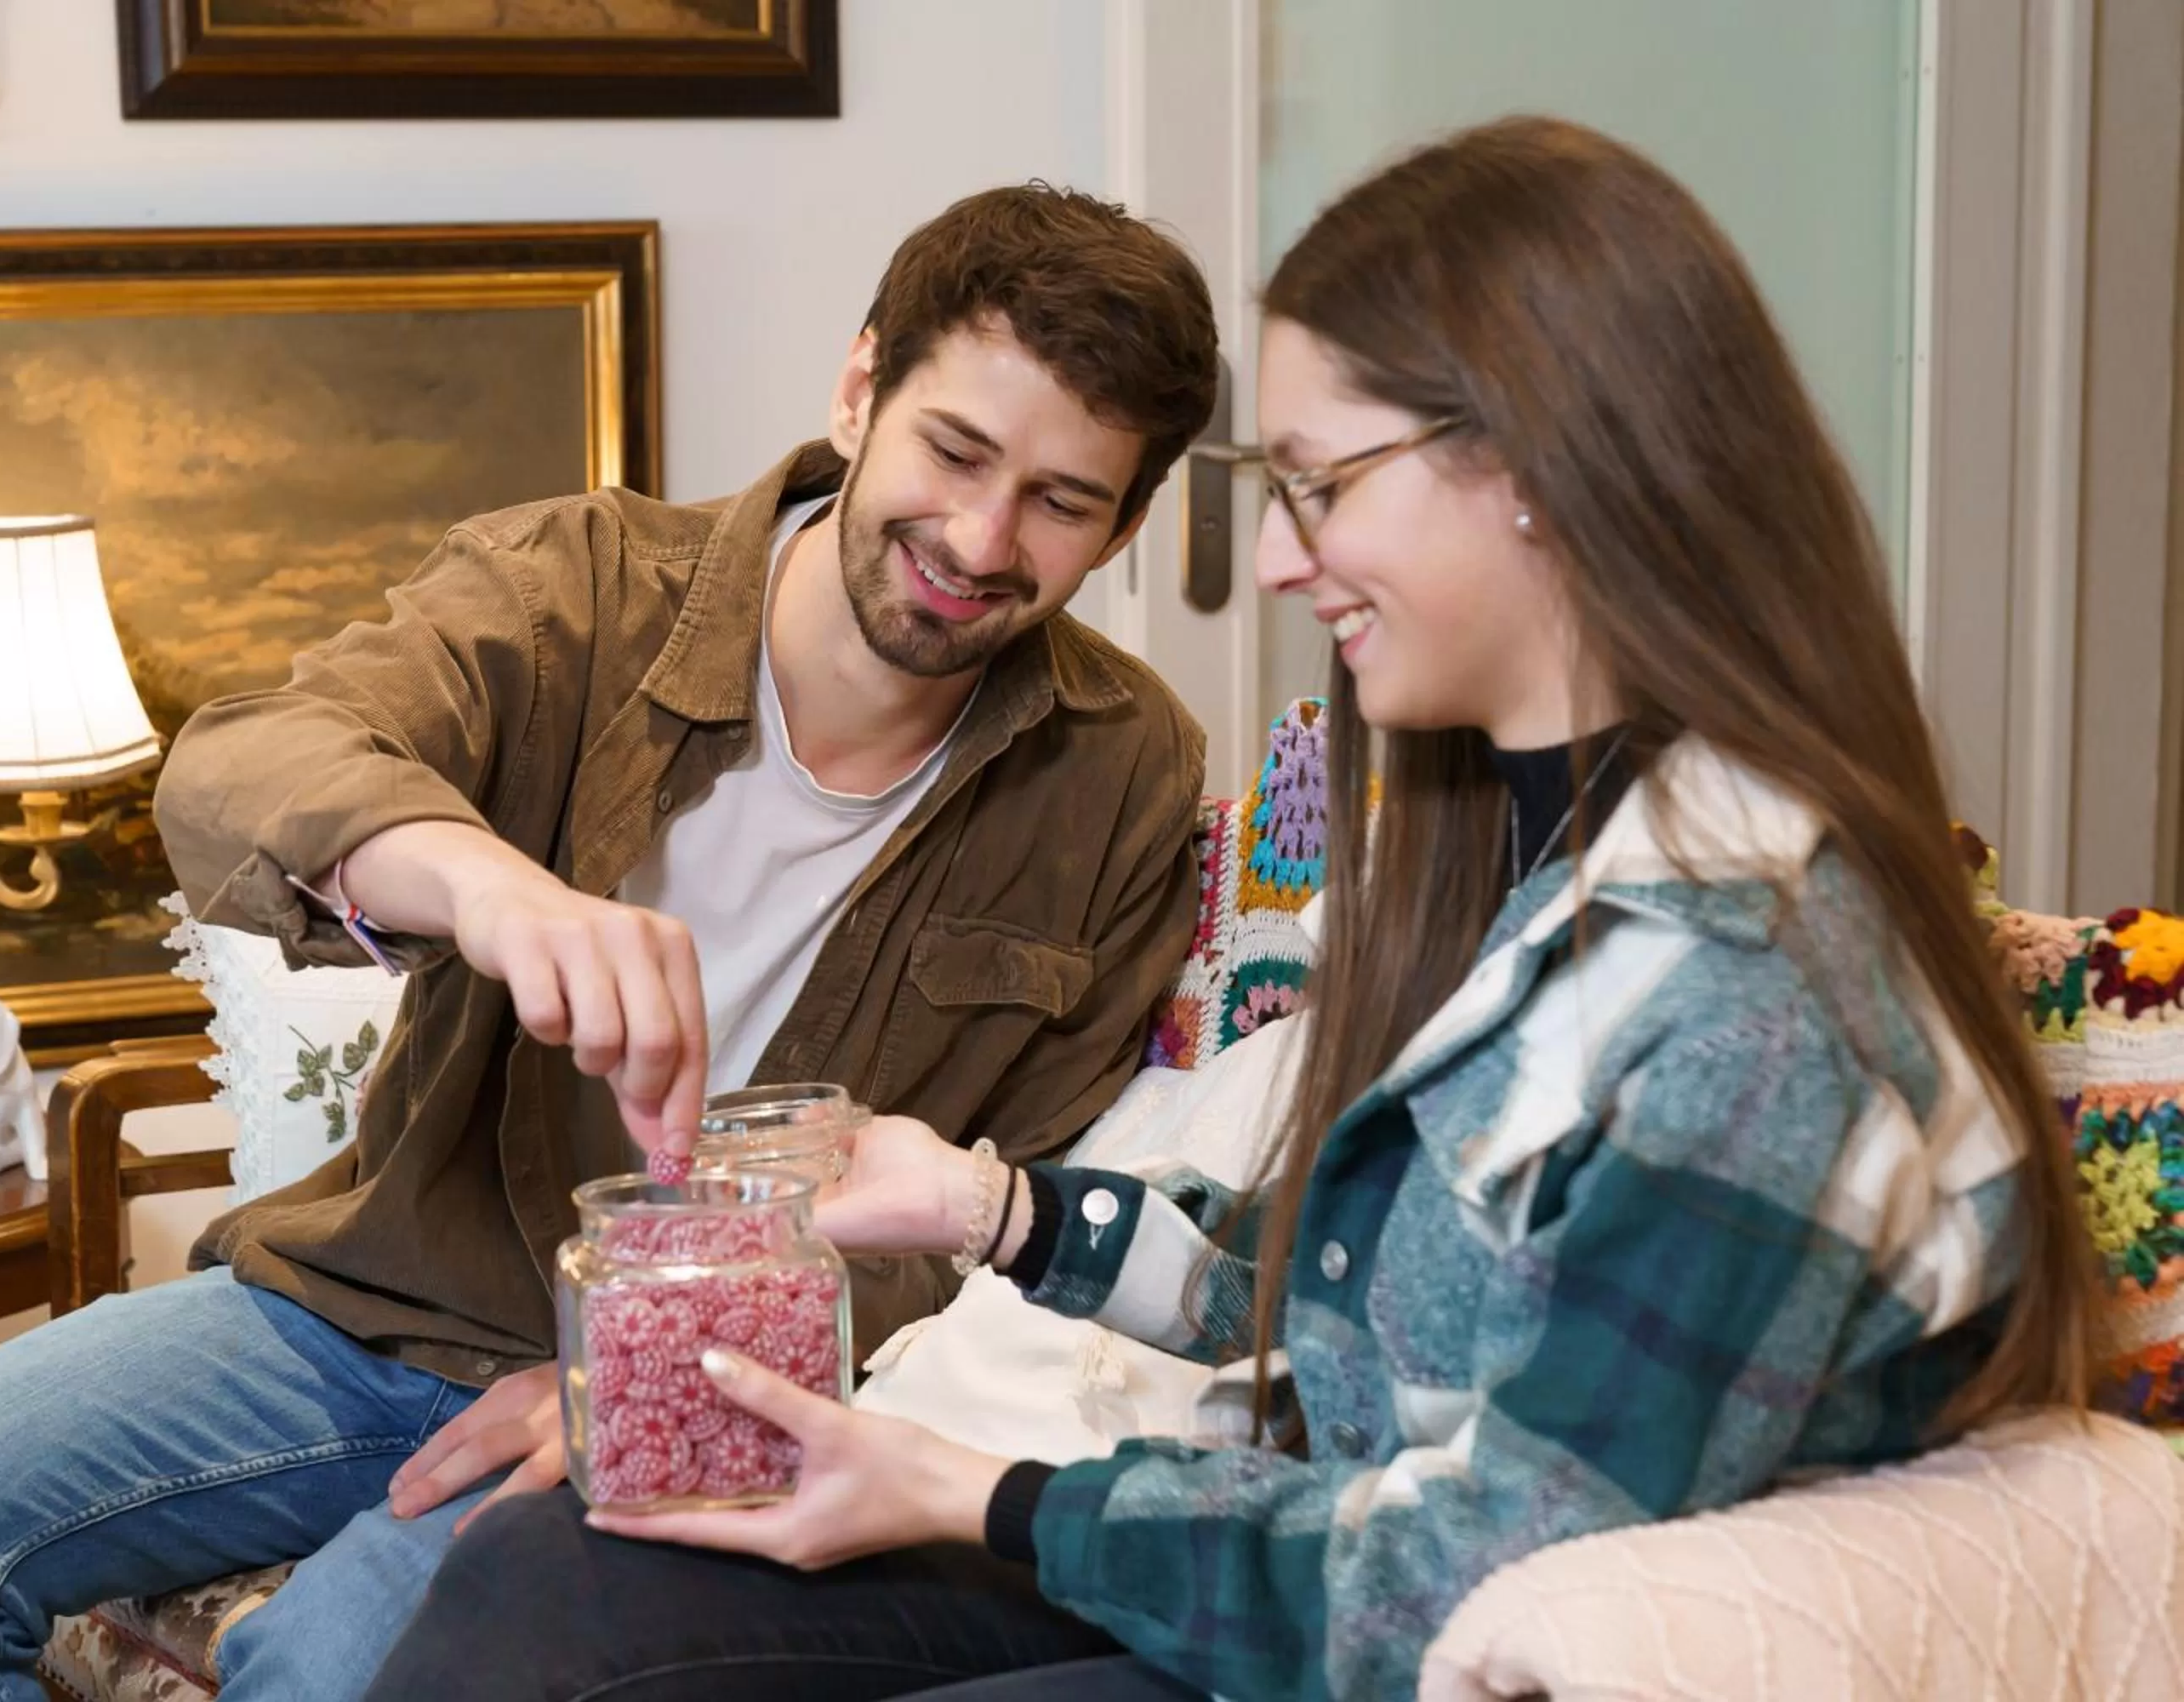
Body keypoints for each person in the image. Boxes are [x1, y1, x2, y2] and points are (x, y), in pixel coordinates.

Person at [366, 115, 2108, 1702]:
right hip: (1311, 1545)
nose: (1276, 562)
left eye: (1321, 487)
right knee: (559, 1573)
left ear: (1541, 466)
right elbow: (1359, 1305)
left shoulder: (1749, 991)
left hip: (1408, 1633)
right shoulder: (1517, 845)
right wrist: (995, 1209)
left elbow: (1492, 1574)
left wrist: (974, 1492)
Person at [0, 184, 1219, 1702]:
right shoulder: (573, 589)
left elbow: (1006, 1215)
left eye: (1062, 502)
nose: (982, 540)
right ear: (861, 390)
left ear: (1122, 524)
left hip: (707, 1390)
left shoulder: (1124, 772)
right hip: (370, 1306)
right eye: (957, 450)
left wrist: (647, 1369)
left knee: (322, 1683)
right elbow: (241, 767)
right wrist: (487, 886)